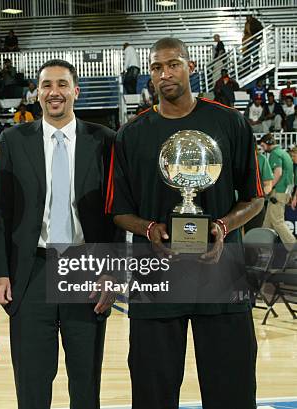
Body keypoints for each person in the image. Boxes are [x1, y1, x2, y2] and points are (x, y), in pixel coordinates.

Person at [108, 37, 264, 409]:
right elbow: (118, 209)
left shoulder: (230, 123)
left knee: (232, 393)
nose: (165, 73)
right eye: (157, 67)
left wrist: (223, 227)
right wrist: (150, 230)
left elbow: (256, 198)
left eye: (173, 64)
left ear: (191, 67)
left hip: (222, 277)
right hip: (156, 278)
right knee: (152, 396)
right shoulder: (131, 134)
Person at [0, 58, 117, 409]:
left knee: (85, 379)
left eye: (62, 84)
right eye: (47, 85)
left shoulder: (104, 140)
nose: (54, 92)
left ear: (76, 91)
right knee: (32, 379)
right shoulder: (15, 139)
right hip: (33, 270)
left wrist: (110, 271)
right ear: (37, 93)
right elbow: (3, 211)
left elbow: (114, 215)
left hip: (85, 268)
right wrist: (0, 272)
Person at [259, 133, 296, 249]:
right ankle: (264, 250)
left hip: (278, 192)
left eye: (263, 146)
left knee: (278, 222)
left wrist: (268, 188)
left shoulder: (275, 154)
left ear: (269, 144)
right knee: (267, 223)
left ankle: (294, 248)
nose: (263, 149)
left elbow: (278, 173)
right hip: (285, 190)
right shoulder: (284, 153)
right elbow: (291, 175)